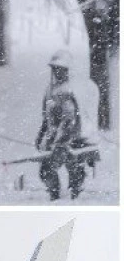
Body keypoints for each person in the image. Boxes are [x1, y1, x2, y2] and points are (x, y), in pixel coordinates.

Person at [35, 49, 99, 200]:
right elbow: (47, 118)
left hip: (75, 140)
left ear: (67, 70)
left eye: (61, 69)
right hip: (58, 140)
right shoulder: (50, 91)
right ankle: (55, 195)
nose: (58, 72)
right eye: (55, 69)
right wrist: (41, 136)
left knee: (72, 169)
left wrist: (61, 142)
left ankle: (73, 197)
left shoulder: (69, 90)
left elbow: (71, 120)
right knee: (46, 170)